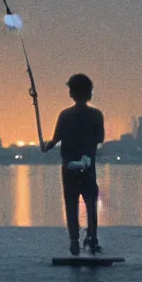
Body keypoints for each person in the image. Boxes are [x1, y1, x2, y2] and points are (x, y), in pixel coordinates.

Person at [41, 73, 106, 256]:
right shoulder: (96, 115)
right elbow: (99, 138)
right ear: (89, 93)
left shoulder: (65, 115)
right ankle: (92, 239)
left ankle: (74, 242)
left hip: (69, 166)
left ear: (71, 93)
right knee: (90, 202)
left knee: (71, 203)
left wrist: (46, 147)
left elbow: (55, 140)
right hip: (87, 166)